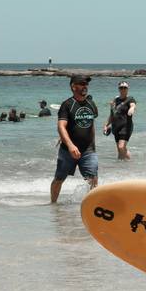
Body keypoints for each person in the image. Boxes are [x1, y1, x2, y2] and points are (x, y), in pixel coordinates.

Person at [50, 75, 99, 203]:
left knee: (93, 179)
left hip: (88, 150)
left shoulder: (91, 103)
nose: (85, 86)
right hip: (68, 151)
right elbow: (61, 126)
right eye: (82, 84)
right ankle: (53, 205)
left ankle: (91, 206)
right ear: (73, 86)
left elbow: (91, 124)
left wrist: (93, 144)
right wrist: (71, 145)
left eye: (86, 84)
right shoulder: (67, 105)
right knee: (59, 179)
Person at [104, 81, 137, 160]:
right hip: (116, 127)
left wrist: (132, 109)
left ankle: (129, 163)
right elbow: (112, 114)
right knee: (119, 150)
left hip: (126, 126)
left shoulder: (130, 99)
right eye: (121, 87)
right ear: (118, 89)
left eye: (125, 87)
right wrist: (106, 125)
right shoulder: (115, 100)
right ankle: (121, 168)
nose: (123, 89)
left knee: (121, 147)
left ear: (127, 89)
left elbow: (133, 105)